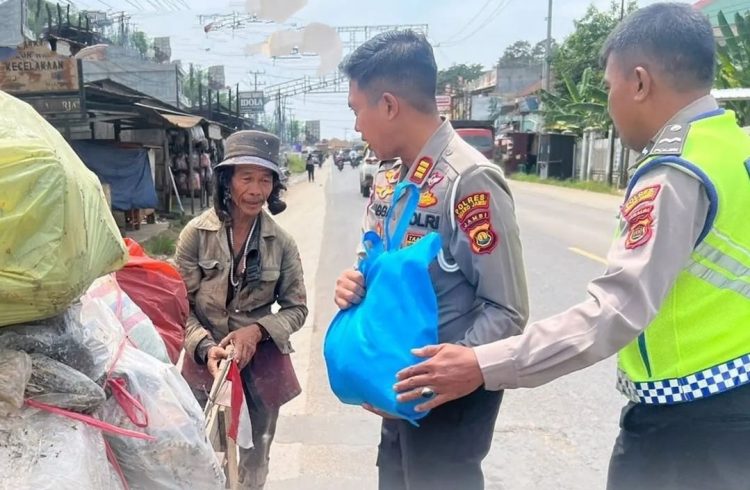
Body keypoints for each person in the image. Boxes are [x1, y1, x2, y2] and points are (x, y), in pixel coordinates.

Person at [394, 4, 750, 489]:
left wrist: (484, 363)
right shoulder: (734, 146)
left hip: (688, 425)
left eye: (609, 86)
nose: (608, 101)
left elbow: (616, 310)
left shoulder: (676, 172)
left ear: (640, 83)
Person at [333, 30, 529, 490]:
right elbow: (376, 265)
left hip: (449, 401)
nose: (357, 126)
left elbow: (508, 309)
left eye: (356, 111)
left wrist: (442, 375)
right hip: (399, 393)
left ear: (388, 105)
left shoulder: (469, 181)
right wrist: (353, 283)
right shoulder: (390, 178)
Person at [175, 130, 308, 490]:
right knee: (200, 457)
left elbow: (297, 309)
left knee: (254, 461)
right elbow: (177, 309)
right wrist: (204, 347)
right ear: (227, 181)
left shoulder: (281, 242)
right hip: (206, 365)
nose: (255, 189)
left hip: (260, 368)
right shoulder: (195, 235)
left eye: (265, 179)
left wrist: (258, 331)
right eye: (246, 177)